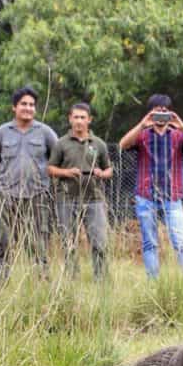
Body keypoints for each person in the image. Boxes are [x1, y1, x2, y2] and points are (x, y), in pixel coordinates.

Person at [118, 93, 183, 278]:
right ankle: (153, 284)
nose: (161, 115)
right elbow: (122, 145)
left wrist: (182, 125)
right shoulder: (142, 135)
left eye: (165, 111)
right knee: (150, 244)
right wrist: (142, 124)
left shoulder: (178, 135)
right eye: (157, 111)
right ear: (150, 112)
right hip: (145, 197)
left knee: (180, 243)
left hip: (173, 197)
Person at [0, 86, 58, 281]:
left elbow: (57, 158)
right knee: (4, 240)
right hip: (6, 196)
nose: (28, 108)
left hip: (37, 195)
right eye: (23, 104)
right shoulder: (1, 133)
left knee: (38, 242)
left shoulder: (45, 132)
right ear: (14, 107)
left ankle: (41, 280)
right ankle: (1, 279)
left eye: (32, 105)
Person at [48, 103, 113, 280]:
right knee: (68, 241)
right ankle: (72, 278)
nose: (79, 121)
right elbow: (50, 169)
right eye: (75, 117)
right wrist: (67, 172)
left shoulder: (98, 144)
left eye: (83, 117)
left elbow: (109, 170)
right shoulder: (61, 144)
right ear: (70, 119)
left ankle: (101, 279)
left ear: (89, 120)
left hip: (94, 199)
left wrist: (101, 173)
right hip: (67, 198)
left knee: (99, 242)